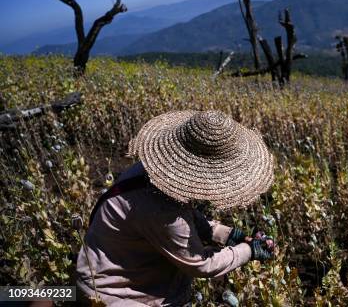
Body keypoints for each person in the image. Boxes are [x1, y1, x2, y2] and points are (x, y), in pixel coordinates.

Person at [76, 110, 276, 306]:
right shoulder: (162, 212)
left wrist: (228, 235)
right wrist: (249, 250)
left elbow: (185, 215)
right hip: (113, 293)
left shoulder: (149, 172)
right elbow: (202, 265)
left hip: (130, 267)